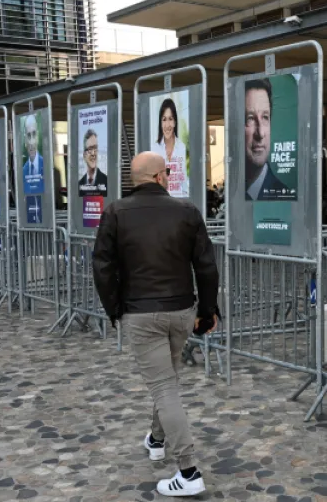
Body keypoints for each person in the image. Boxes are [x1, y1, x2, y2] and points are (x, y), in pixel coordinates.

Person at [92, 151, 219, 498]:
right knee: (168, 382)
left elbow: (102, 266)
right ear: (161, 176)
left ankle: (189, 471)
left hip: (140, 312)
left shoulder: (115, 212)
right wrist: (207, 310)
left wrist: (115, 309)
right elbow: (206, 266)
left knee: (164, 387)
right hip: (180, 310)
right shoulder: (188, 211)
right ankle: (156, 439)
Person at [243, 78, 290, 200]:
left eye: (265, 117)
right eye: (250, 119)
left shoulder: (285, 197)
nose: (260, 133)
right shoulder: (232, 193)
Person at [150, 98, 188, 197]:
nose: (167, 125)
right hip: (160, 204)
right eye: (164, 119)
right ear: (160, 123)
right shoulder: (154, 149)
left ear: (175, 122)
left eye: (170, 119)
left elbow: (185, 184)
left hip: (179, 204)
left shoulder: (182, 148)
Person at [78, 129, 108, 197]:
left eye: (95, 148)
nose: (93, 153)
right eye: (90, 149)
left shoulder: (107, 182)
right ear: (84, 155)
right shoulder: (79, 184)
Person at [22, 115, 44, 194]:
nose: (31, 142)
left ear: (37, 137)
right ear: (25, 140)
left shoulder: (46, 165)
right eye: (28, 136)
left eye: (34, 134)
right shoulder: (23, 171)